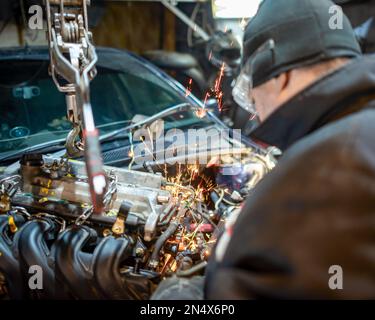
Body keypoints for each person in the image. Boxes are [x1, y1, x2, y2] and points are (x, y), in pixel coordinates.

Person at [153, 0, 375, 299]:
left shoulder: (324, 169)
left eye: (250, 90)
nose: (255, 108)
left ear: (277, 72)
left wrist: (177, 296)